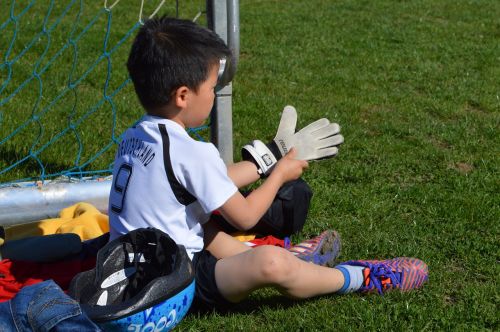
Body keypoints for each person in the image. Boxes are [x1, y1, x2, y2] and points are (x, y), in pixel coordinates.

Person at [108, 16, 428, 309]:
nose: (213, 94)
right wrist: (279, 176)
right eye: (210, 87)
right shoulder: (191, 151)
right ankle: (361, 277)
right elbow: (245, 217)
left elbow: (213, 180)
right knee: (271, 263)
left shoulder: (134, 136)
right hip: (170, 286)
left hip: (123, 270)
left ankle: (296, 263)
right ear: (182, 95)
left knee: (200, 218)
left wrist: (274, 154)